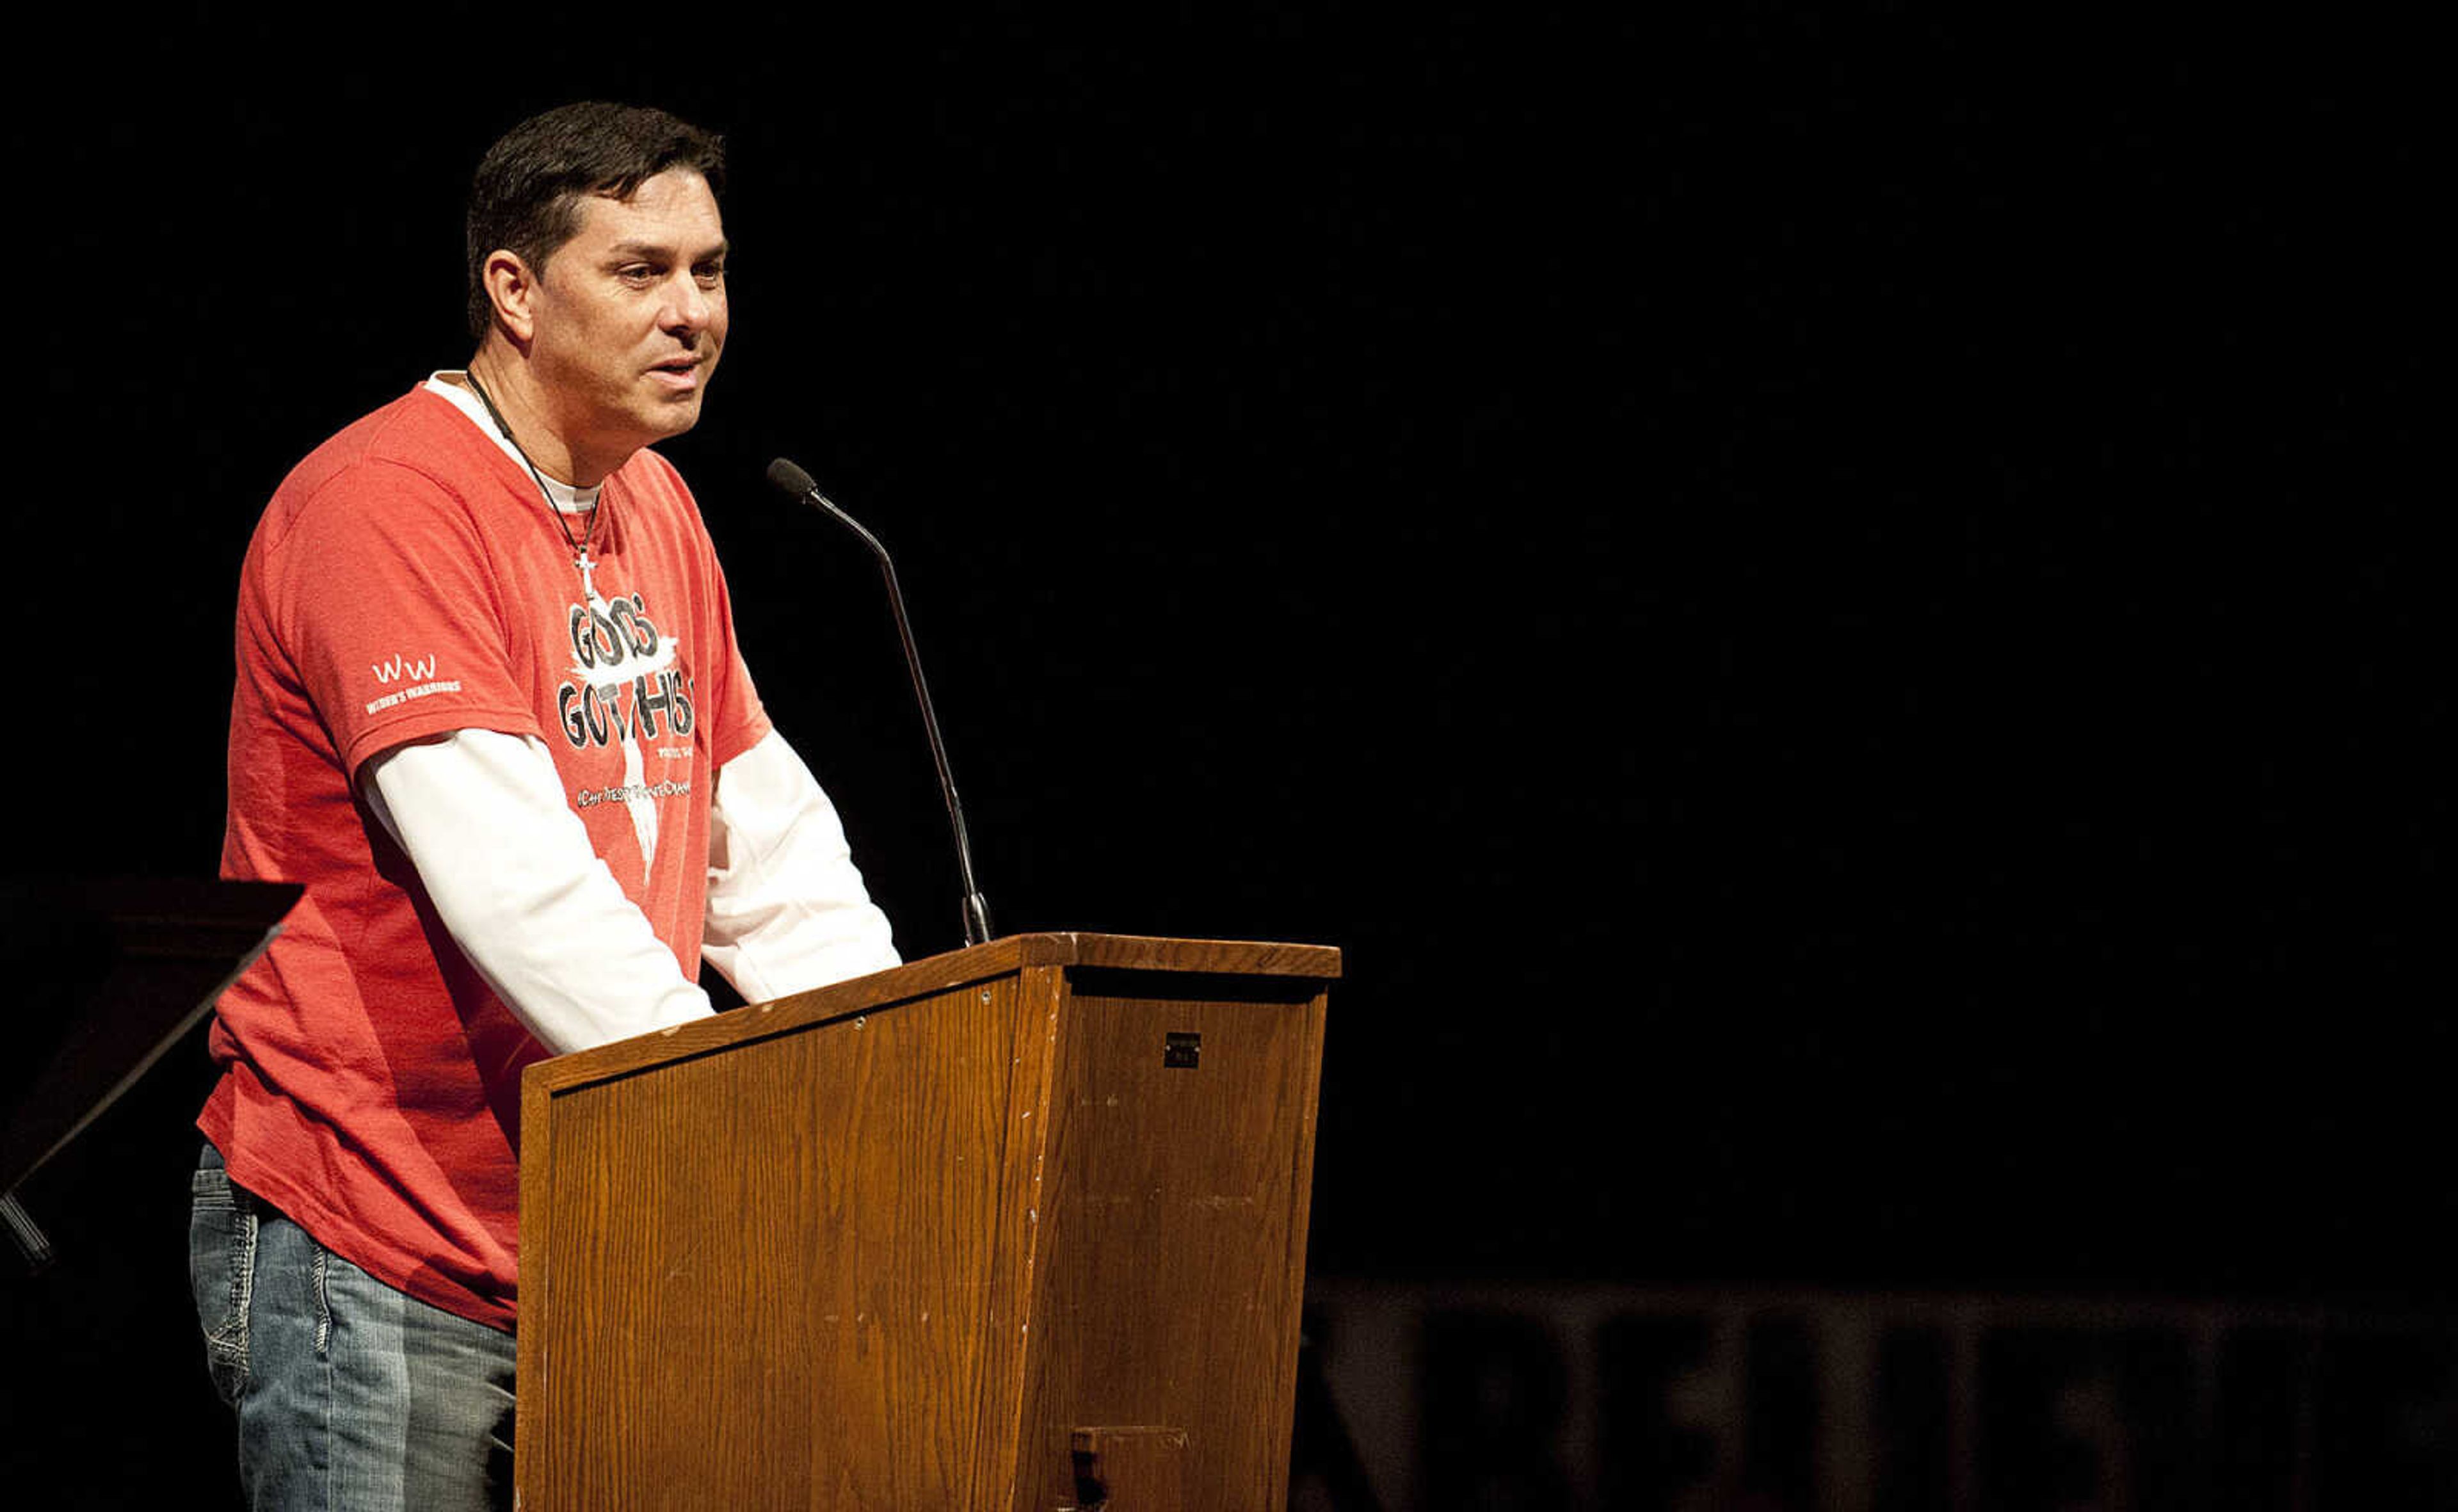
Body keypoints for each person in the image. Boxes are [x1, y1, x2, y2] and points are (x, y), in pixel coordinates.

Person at [189, 101, 899, 1511]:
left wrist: (896, 1082)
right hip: (379, 1227)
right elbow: (517, 883)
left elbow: (765, 845)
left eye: (709, 270)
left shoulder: (657, 505)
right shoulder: (387, 502)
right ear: (513, 289)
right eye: (640, 271)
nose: (693, 312)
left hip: (598, 1222)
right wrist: (749, 1118)